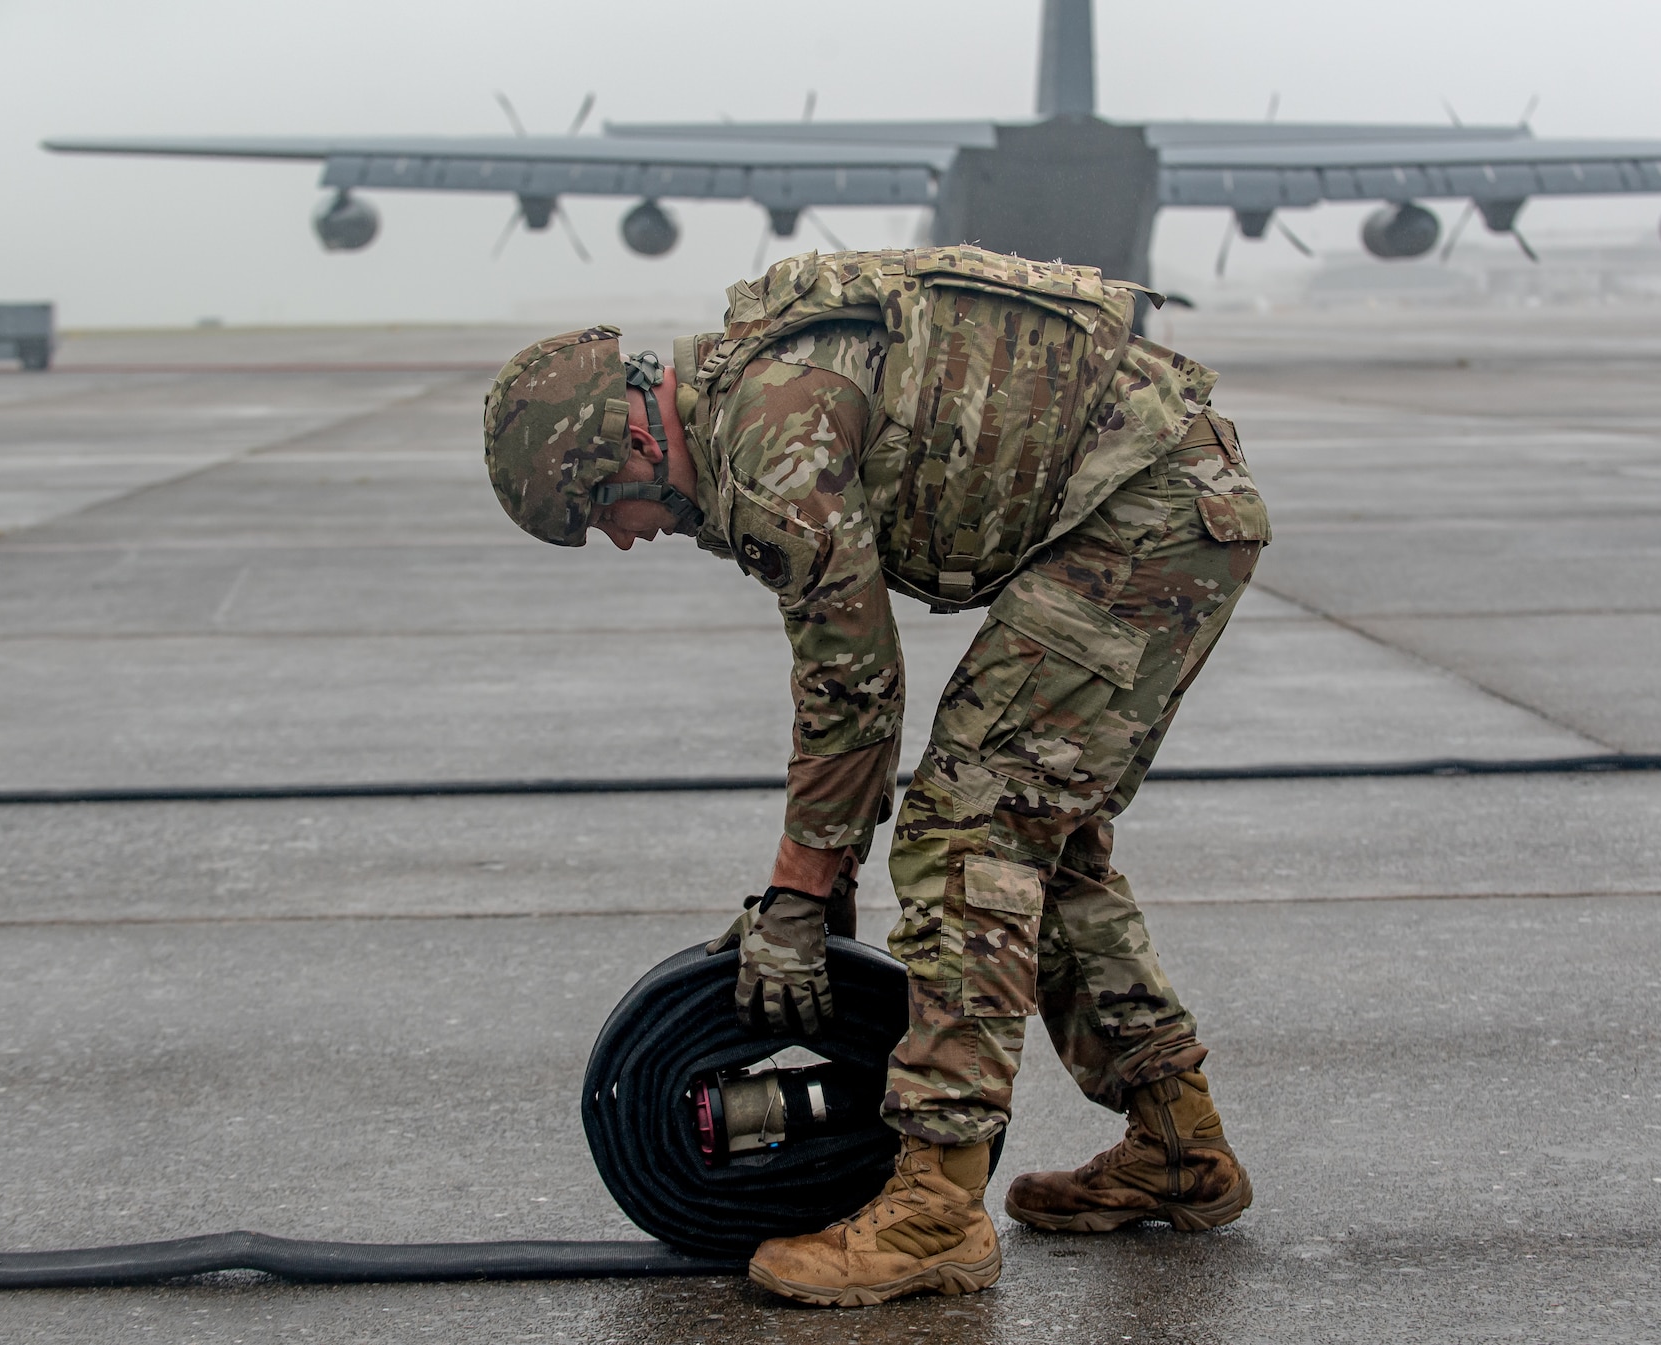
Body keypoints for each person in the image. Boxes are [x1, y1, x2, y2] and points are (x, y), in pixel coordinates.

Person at [484, 246, 1269, 1308]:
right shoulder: (740, 416)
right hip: (1149, 501)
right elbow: (841, 682)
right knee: (1037, 834)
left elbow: (853, 688)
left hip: (1149, 511)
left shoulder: (769, 438)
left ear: (632, 439)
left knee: (969, 830)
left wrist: (800, 895)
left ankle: (937, 1208)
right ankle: (1178, 1143)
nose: (623, 540)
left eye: (599, 513)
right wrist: (811, 884)